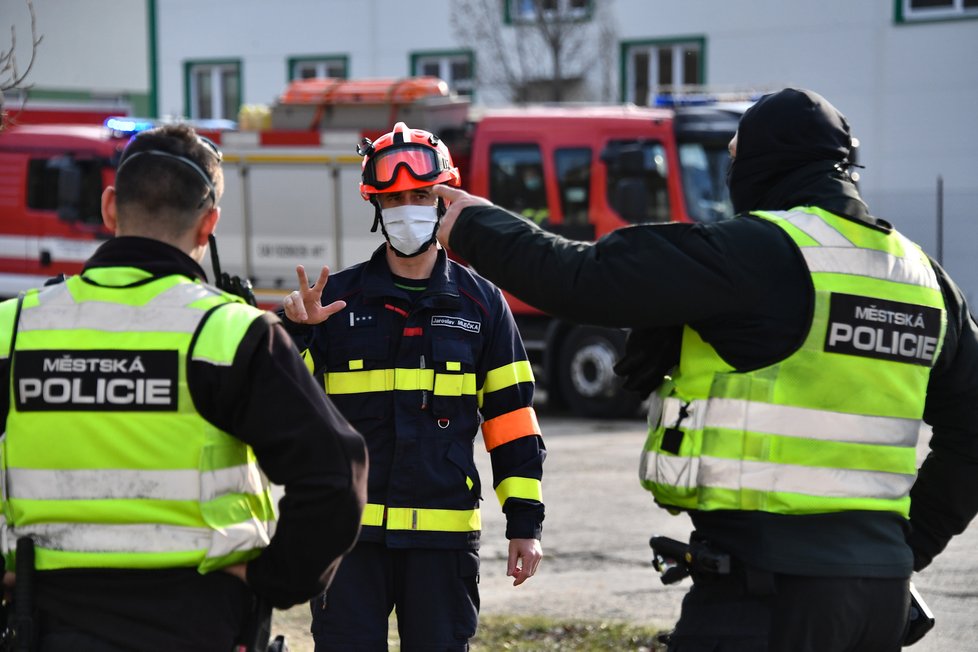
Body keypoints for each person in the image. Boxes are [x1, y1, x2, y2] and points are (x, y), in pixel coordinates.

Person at [433, 88, 978, 651]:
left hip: (766, 593)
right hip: (879, 600)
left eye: (737, 158)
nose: (731, 173)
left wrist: (475, 224)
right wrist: (905, 550)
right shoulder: (924, 281)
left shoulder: (761, 251)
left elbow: (584, 277)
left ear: (766, 164)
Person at [0, 123, 368, 652]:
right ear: (208, 225)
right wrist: (274, 580)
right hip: (199, 621)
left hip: (47, 618)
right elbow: (336, 476)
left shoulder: (15, 331)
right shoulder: (232, 335)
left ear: (109, 209)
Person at [279, 121, 546, 651]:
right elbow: (286, 408)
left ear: (444, 196)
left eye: (420, 194)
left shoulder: (482, 305)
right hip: (348, 543)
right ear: (376, 206)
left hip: (442, 546)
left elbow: (512, 423)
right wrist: (295, 334)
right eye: (394, 197)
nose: (408, 207)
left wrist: (525, 524)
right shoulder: (334, 302)